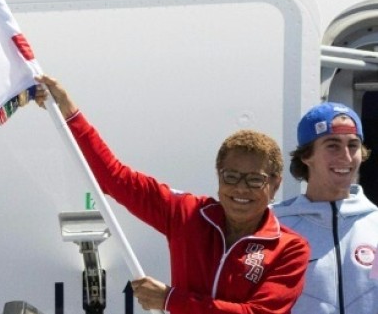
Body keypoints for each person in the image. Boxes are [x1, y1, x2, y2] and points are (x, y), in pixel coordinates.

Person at [34, 75, 309, 313]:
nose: (240, 189)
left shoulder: (290, 248)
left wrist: (171, 300)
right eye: (231, 176)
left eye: (254, 180)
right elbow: (113, 177)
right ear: (218, 175)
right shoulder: (187, 213)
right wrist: (70, 114)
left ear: (274, 184)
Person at [272, 102, 378, 313]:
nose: (346, 157)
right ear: (306, 155)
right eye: (332, 145)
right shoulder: (275, 226)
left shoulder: (375, 224)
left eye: (353, 145)